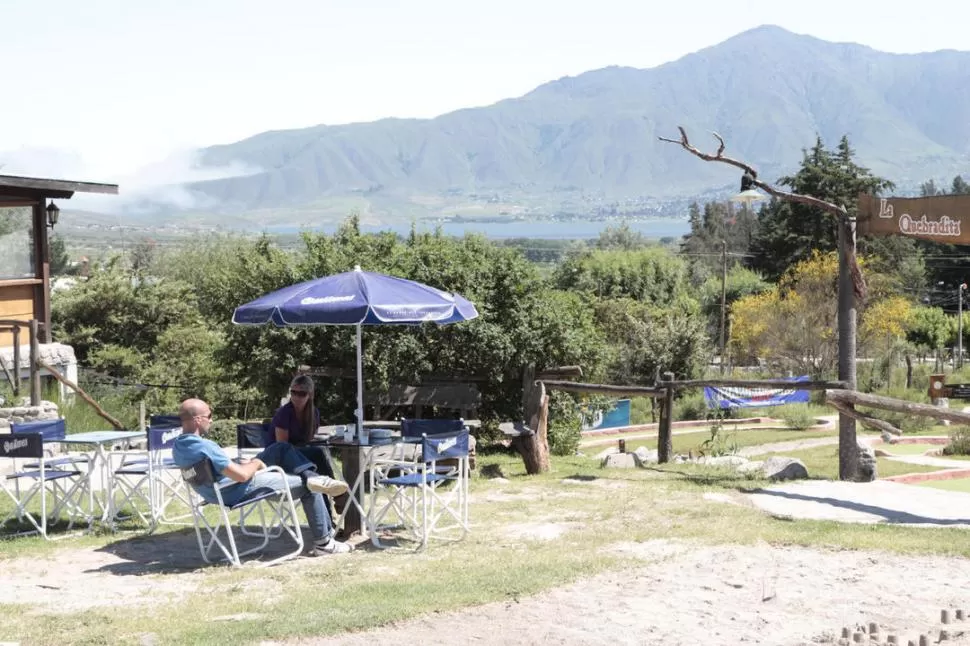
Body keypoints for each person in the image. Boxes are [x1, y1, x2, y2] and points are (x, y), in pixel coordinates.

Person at [171, 398, 352, 556]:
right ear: (197, 420)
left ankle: (311, 474)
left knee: (280, 448)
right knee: (310, 486)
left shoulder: (179, 446)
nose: (211, 420)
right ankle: (324, 544)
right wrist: (255, 464)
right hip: (237, 489)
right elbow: (242, 476)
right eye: (209, 415)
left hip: (215, 490)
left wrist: (239, 462)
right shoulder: (205, 446)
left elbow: (219, 469)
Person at [270, 375, 336, 479]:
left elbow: (308, 440)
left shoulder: (314, 413)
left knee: (318, 453)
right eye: (293, 392)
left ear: (310, 395)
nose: (296, 397)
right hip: (278, 456)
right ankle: (336, 491)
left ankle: (331, 491)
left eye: (302, 394)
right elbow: (282, 447)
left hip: (298, 454)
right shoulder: (284, 413)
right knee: (317, 453)